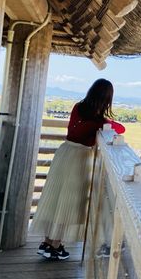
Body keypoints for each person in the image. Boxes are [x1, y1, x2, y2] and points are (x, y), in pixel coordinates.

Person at [31, 79, 125, 260]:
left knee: (56, 198)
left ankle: (48, 243)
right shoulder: (99, 121)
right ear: (107, 99)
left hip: (65, 152)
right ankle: (55, 245)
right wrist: (108, 122)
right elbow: (121, 129)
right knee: (68, 201)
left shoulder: (78, 107)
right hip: (79, 158)